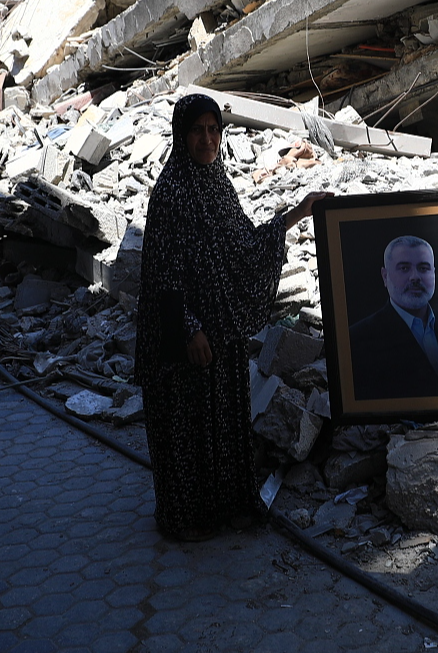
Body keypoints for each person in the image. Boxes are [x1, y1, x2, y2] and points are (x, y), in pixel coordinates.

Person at [138, 93, 327, 542]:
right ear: (181, 136)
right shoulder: (170, 193)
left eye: (213, 130)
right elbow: (162, 274)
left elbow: (244, 246)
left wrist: (299, 212)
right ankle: (187, 520)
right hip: (183, 336)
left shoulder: (217, 184)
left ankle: (227, 508)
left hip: (219, 333)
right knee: (187, 427)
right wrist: (189, 328)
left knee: (222, 423)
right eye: (198, 130)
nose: (207, 139)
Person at [347, 235, 438, 400]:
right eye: (404, 268)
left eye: (423, 268)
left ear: (434, 273)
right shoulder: (357, 341)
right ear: (384, 276)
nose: (415, 277)